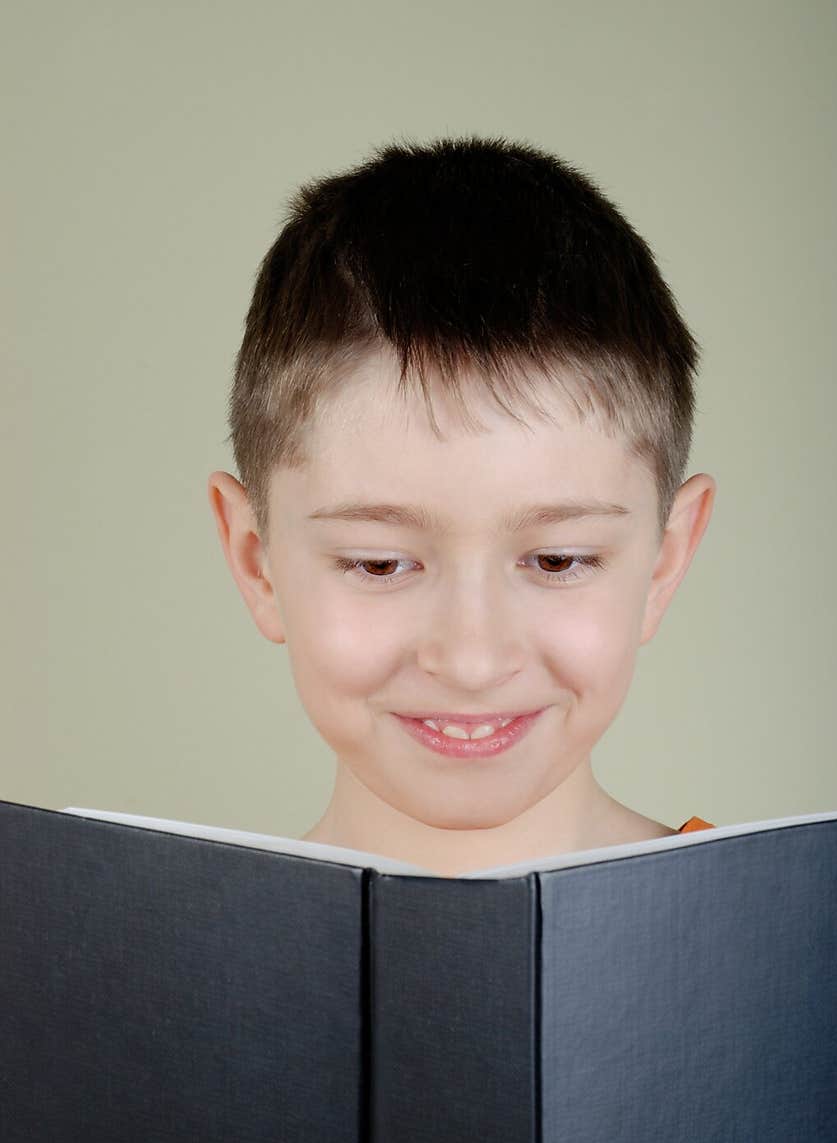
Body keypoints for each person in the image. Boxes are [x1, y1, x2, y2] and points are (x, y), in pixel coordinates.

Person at [208, 135, 716, 877]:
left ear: (665, 561)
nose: (472, 661)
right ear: (257, 563)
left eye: (557, 558)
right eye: (378, 563)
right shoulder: (135, 965)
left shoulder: (816, 944)